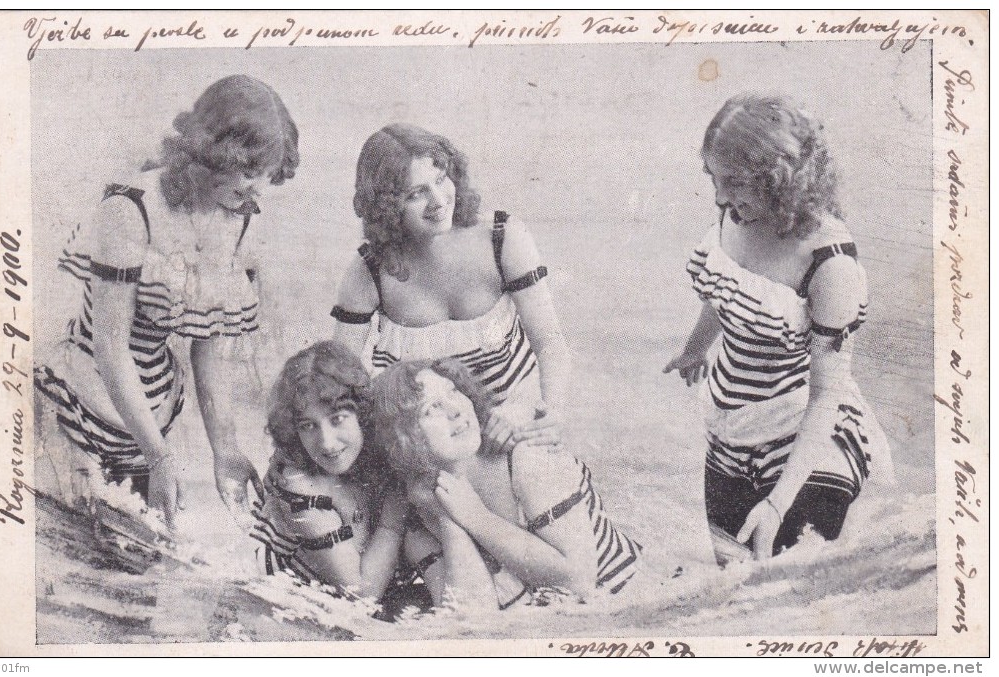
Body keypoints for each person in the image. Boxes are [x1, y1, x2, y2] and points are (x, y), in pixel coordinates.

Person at [34, 75, 300, 529]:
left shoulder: (237, 219)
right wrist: (159, 457)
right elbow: (110, 349)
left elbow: (209, 348)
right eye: (249, 175)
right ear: (214, 154)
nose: (257, 193)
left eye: (266, 178)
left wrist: (226, 450)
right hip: (82, 402)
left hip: (150, 420)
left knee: (147, 557)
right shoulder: (131, 207)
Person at [664, 93, 895, 560]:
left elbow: (826, 394)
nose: (720, 196)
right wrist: (696, 346)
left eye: (734, 182)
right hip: (729, 438)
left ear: (781, 179)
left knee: (788, 584)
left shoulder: (829, 263)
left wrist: (777, 502)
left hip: (807, 444)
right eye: (713, 177)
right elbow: (725, 288)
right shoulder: (737, 212)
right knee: (733, 584)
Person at [331, 123, 571, 445]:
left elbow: (550, 342)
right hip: (425, 441)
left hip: (512, 421)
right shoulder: (369, 272)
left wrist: (542, 410)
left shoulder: (501, 238)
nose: (439, 201)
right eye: (416, 194)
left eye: (440, 179)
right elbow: (339, 378)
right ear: (387, 207)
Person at [368, 358, 643, 606]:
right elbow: (471, 618)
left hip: (636, 599)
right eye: (431, 409)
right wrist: (449, 519)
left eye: (453, 391)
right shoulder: (424, 509)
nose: (455, 410)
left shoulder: (527, 458)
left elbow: (579, 581)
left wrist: (475, 516)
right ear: (402, 440)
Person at [251, 341, 495, 613]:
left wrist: (498, 425)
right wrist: (393, 514)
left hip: (386, 585)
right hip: (293, 603)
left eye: (338, 418)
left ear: (362, 411)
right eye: (308, 426)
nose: (327, 443)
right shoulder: (300, 487)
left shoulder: (377, 437)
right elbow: (361, 596)